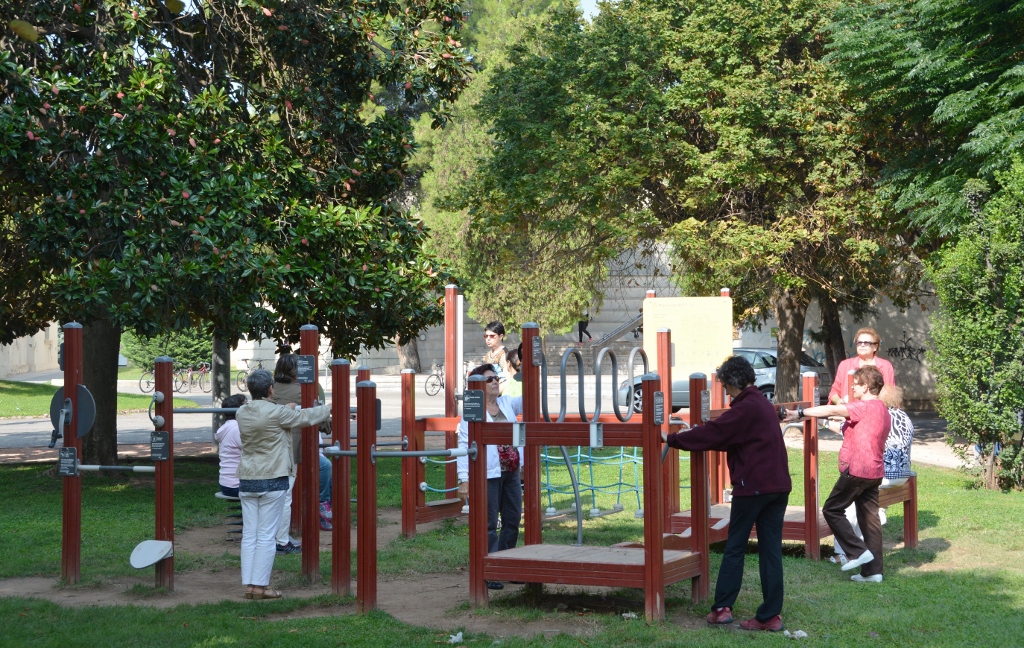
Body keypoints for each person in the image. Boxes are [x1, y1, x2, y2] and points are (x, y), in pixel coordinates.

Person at [662, 355, 791, 632]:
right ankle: (770, 616)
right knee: (771, 552)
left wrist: (672, 439)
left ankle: (722, 609)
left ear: (733, 383)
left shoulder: (743, 409)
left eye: (725, 386)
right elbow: (732, 438)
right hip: (778, 487)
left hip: (753, 487)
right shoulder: (763, 405)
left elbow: (713, 434)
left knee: (735, 547)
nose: (725, 391)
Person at [786, 365, 890, 583]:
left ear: (867, 386)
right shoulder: (881, 409)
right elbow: (843, 425)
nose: (853, 387)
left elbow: (832, 410)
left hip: (858, 470)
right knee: (869, 521)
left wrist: (800, 413)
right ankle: (873, 572)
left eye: (856, 384)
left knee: (832, 509)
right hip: (874, 472)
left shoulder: (865, 406)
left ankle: (857, 552)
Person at [236, 369, 331, 599]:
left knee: (250, 534)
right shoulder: (278, 414)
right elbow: (306, 417)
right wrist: (328, 408)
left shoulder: (242, 412)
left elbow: (272, 414)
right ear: (271, 389)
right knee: (268, 535)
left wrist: (286, 408)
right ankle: (262, 586)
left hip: (247, 480)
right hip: (273, 479)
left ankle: (249, 586)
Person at [456, 364, 524, 591]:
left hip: (511, 472)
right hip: (488, 474)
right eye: (489, 380)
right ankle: (491, 570)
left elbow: (532, 396)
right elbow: (465, 445)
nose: (495, 382)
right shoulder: (473, 411)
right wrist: (464, 479)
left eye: (496, 378)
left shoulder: (507, 403)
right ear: (477, 386)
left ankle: (506, 565)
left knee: (513, 519)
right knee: (488, 523)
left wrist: (529, 369)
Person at [831, 384, 914, 564]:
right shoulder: (905, 417)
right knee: (866, 504)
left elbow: (842, 430)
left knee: (849, 505)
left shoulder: (879, 414)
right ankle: (870, 556)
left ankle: (843, 553)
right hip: (902, 475)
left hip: (881, 473)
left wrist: (820, 422)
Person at [271, 353, 333, 543]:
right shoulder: (302, 392)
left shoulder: (270, 390)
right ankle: (282, 540)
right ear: (295, 371)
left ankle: (272, 536)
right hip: (292, 449)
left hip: (267, 450)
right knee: (286, 495)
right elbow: (322, 422)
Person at [828, 327, 895, 404]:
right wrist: (838, 401)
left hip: (876, 412)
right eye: (859, 342)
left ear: (875, 347)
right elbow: (834, 392)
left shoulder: (886, 366)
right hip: (849, 412)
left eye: (866, 343)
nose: (862, 345)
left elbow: (891, 395)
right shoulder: (845, 365)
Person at [214, 394, 249, 498]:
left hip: (226, 483)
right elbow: (253, 450)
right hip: (236, 485)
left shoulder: (227, 427)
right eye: (246, 405)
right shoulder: (237, 429)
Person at [482, 321, 511, 392]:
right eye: (486, 336)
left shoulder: (504, 354)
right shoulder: (488, 354)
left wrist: (494, 392)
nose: (488, 339)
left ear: (501, 336)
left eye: (492, 336)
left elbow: (509, 380)